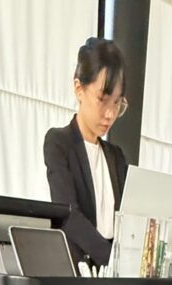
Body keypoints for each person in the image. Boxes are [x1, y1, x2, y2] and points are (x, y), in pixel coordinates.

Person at [44, 38, 129, 268]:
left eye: (117, 103)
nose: (110, 114)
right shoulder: (59, 142)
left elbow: (127, 220)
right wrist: (115, 262)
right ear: (79, 88)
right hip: (79, 275)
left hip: (115, 279)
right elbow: (68, 216)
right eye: (102, 100)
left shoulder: (116, 156)